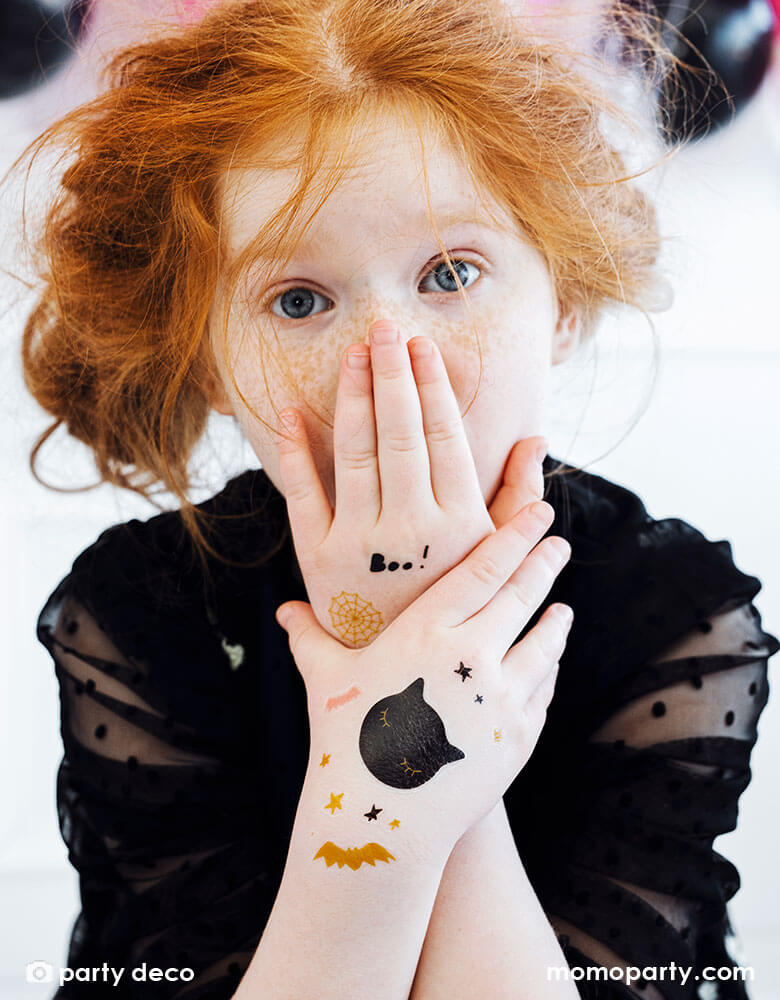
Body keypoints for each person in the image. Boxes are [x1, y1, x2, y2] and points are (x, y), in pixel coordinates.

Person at [15, 0, 779, 996]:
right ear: (206, 364)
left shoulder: (672, 604)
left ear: (565, 304)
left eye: (451, 273)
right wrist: (390, 719)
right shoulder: (139, 607)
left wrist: (417, 679)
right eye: (298, 300)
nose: (386, 355)